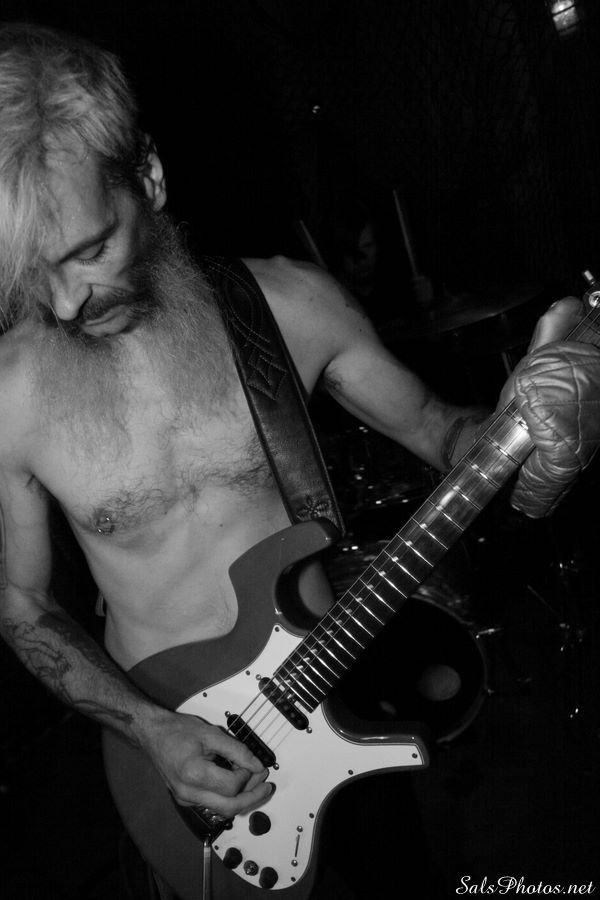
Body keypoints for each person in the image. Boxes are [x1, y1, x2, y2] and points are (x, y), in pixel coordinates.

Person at [0, 21, 599, 900]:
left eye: (90, 250)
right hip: (169, 758)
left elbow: (442, 434)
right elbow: (20, 603)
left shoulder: (292, 307)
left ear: (150, 178)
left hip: (337, 703)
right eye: (28, 270)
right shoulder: (11, 391)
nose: (62, 303)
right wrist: (148, 728)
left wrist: (538, 417)